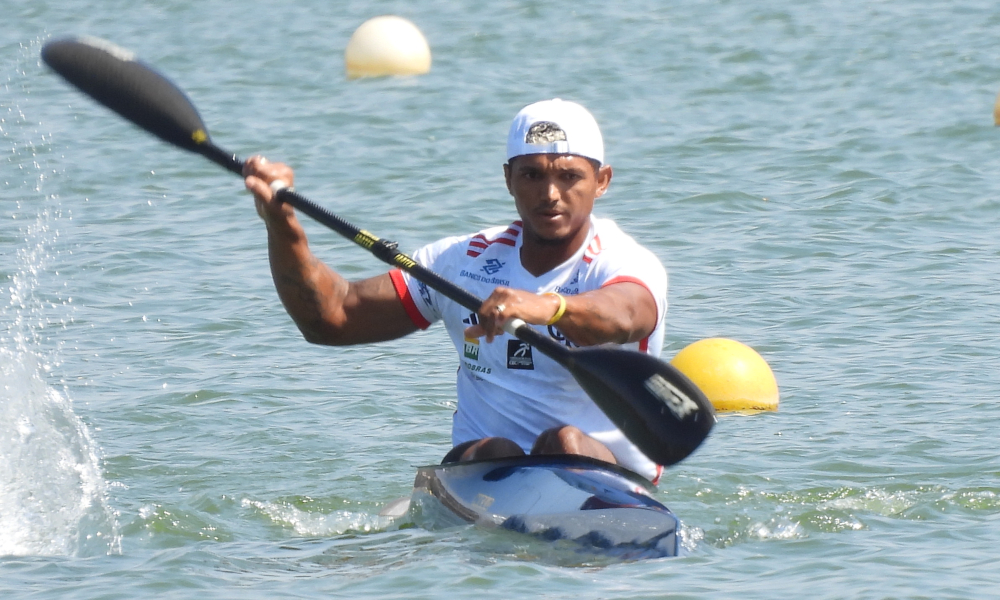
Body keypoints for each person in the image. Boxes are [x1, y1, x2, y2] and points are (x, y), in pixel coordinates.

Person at [243, 99, 669, 482]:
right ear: (508, 179)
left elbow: (626, 315)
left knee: (564, 444)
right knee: (494, 452)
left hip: (608, 478)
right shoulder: (463, 262)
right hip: (486, 477)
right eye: (532, 175)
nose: (550, 194)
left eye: (569, 176)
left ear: (602, 181)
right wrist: (284, 229)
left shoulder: (622, 260)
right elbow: (332, 318)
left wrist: (546, 306)